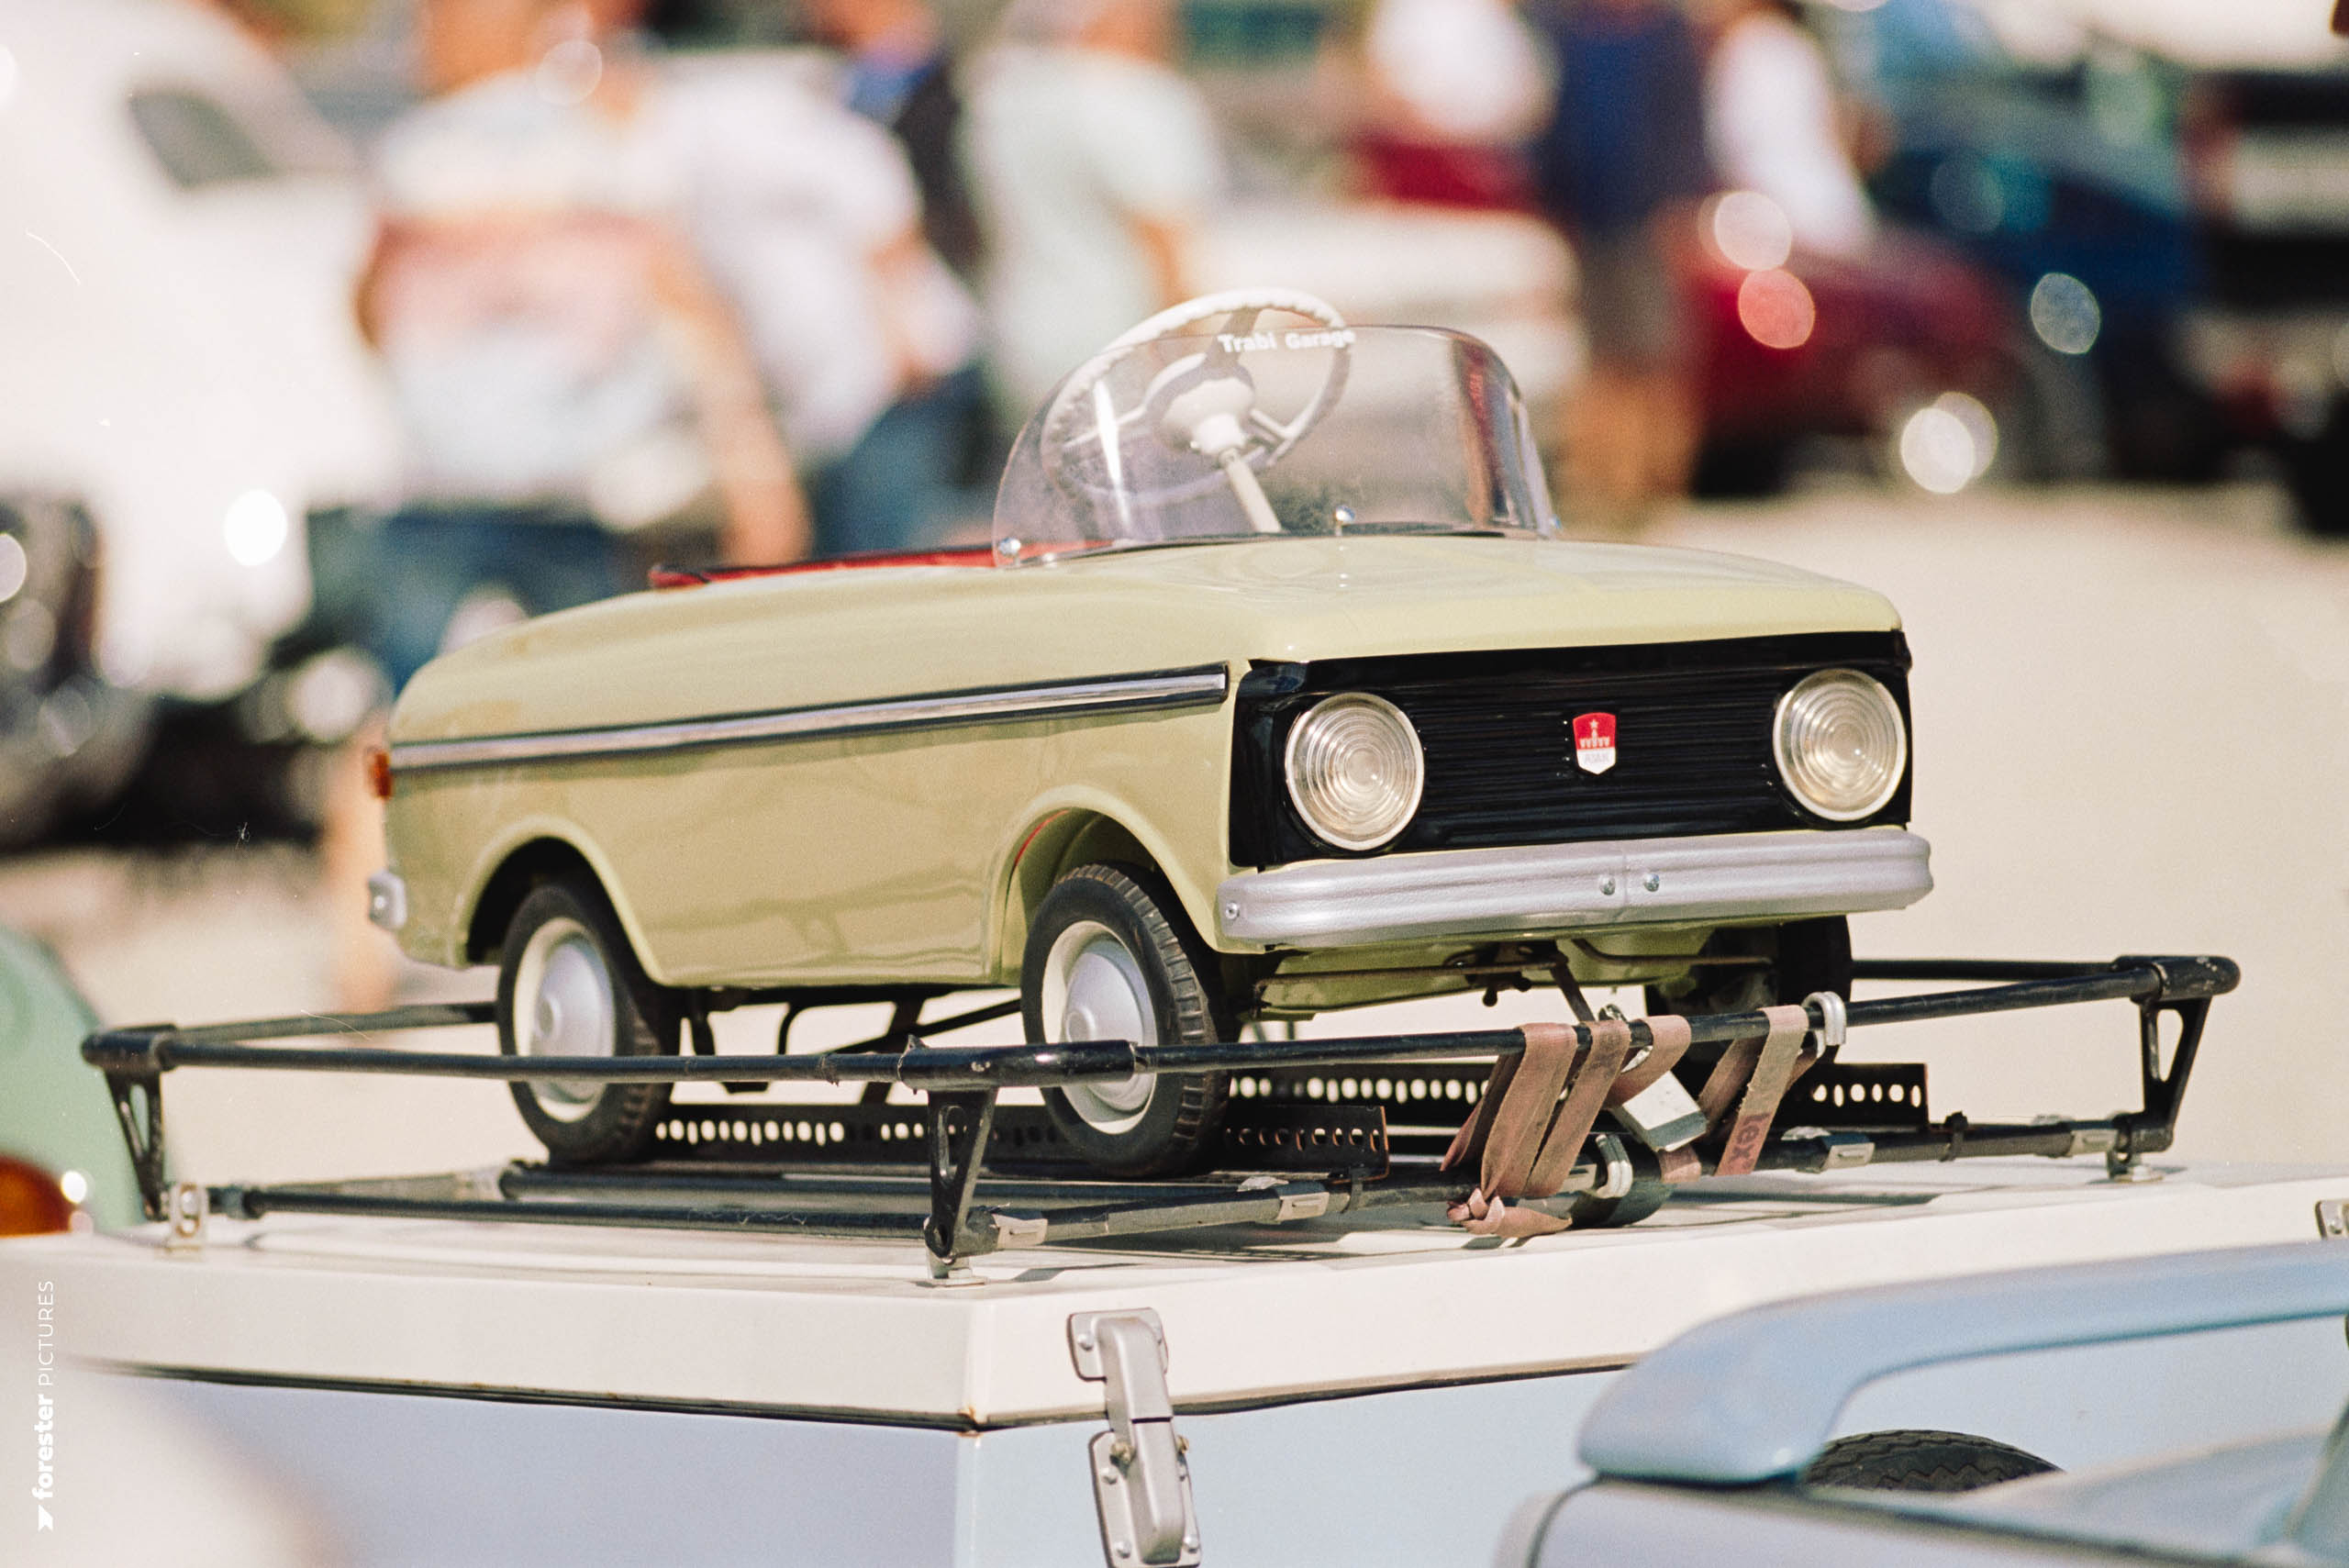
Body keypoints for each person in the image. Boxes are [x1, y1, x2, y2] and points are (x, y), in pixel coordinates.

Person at [321, 0, 807, 1007]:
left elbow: (366, 310)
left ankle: (357, 952)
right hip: (568, 486)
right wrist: (752, 459)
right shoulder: (604, 146)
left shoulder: (416, 154)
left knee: (396, 711)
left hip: (439, 484)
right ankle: (624, 925)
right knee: (595, 708)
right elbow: (684, 307)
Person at [961, 0, 1222, 426]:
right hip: (1122, 346)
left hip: (1017, 337)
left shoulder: (999, 98)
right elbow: (1167, 249)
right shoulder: (1136, 96)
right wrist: (1191, 367)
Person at [1526, 0, 1713, 520]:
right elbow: (1561, 129)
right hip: (1591, 224)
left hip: (1649, 222)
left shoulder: (1667, 36)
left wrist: (1680, 211)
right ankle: (1601, 481)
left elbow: (1686, 133)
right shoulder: (1574, 34)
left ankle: (1650, 483)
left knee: (1651, 358)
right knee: (1602, 358)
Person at [1700, 0, 1875, 258]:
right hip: (1836, 213)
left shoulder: (1747, 47)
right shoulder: (1798, 44)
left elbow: (1736, 151)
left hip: (1789, 226)